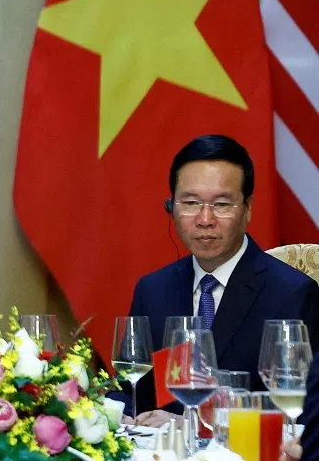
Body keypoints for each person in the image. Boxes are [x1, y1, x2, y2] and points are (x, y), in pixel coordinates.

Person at [123, 135, 319, 426]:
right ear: (171, 207)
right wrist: (115, 415)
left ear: (248, 208)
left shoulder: (292, 294)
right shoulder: (153, 289)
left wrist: (196, 426)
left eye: (222, 204)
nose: (205, 219)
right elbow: (130, 390)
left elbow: (305, 412)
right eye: (190, 202)